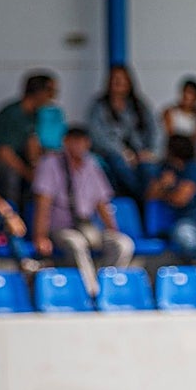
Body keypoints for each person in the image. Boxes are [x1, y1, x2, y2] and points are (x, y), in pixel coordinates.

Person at [30, 125, 134, 297]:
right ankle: (91, 293)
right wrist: (40, 236)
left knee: (123, 244)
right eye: (74, 141)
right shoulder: (50, 164)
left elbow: (102, 203)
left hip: (88, 226)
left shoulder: (92, 164)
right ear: (65, 142)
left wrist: (112, 229)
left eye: (82, 142)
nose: (78, 146)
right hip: (61, 228)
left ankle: (105, 289)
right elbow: (43, 203)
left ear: (88, 143)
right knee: (76, 243)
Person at [146, 134, 196, 285]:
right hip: (185, 220)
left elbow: (181, 199)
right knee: (186, 242)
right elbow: (150, 195)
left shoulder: (193, 167)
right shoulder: (165, 169)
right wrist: (165, 186)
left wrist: (166, 188)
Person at [87, 64, 159, 201]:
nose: (119, 83)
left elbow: (156, 130)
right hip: (113, 153)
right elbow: (96, 136)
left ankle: (144, 203)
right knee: (119, 164)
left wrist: (151, 152)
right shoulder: (99, 106)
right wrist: (123, 152)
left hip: (140, 153)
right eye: (115, 79)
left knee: (148, 168)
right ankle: (141, 199)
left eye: (122, 79)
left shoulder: (140, 105)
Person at [0, 72, 55, 208]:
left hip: (18, 158)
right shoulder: (12, 114)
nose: (53, 96)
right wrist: (27, 173)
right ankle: (11, 216)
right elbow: (4, 153)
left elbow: (32, 141)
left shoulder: (34, 113)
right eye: (50, 91)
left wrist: (36, 166)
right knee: (11, 174)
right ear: (39, 92)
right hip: (4, 162)